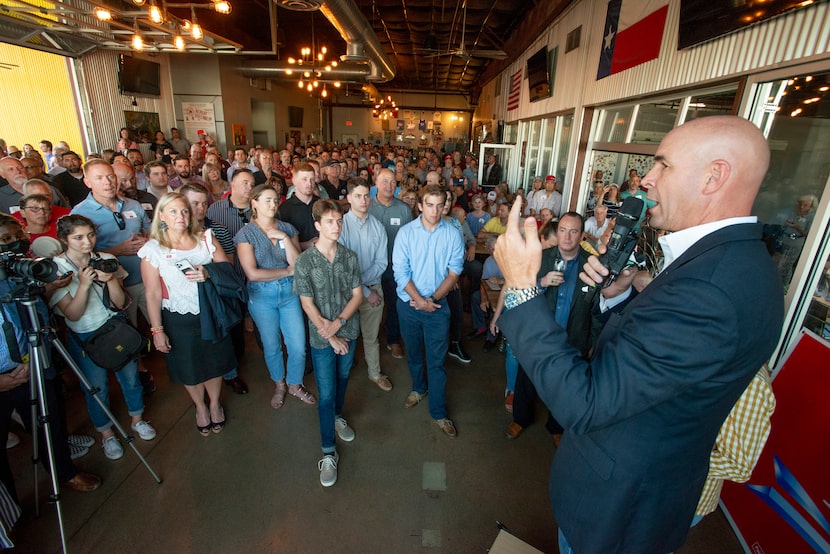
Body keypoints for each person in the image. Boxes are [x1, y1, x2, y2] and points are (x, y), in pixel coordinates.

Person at [494, 115, 784, 553]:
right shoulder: (725, 264)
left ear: (714, 176)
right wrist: (611, 297)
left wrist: (519, 288)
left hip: (618, 518)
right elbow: (653, 358)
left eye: (663, 165)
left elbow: (586, 402)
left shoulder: (714, 289)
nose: (646, 180)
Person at [0, 215, 101, 496]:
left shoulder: (23, 269)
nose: (14, 246)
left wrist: (50, 287)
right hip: (2, 376)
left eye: (16, 237)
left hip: (36, 360)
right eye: (5, 241)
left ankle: (64, 472)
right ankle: (8, 509)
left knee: (50, 422)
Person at [50, 215, 156, 459]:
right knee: (96, 387)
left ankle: (137, 419)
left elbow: (120, 303)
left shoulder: (107, 260)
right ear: (64, 239)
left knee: (130, 377)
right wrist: (84, 284)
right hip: (85, 335)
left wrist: (111, 282)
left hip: (115, 326)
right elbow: (73, 315)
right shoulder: (58, 270)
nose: (87, 242)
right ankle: (107, 434)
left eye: (90, 235)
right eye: (78, 237)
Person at [139, 193, 235, 435]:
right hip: (178, 317)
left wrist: (208, 273)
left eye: (184, 211)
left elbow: (227, 268)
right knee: (188, 366)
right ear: (161, 216)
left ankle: (214, 404)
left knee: (214, 361)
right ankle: (200, 406)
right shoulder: (153, 249)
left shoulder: (205, 238)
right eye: (172, 211)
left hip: (210, 312)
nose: (180, 216)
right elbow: (152, 294)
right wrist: (157, 330)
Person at [294, 199, 363, 487]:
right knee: (325, 391)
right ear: (318, 225)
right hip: (322, 338)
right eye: (330, 222)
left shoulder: (349, 256)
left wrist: (341, 324)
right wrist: (331, 334)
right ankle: (327, 451)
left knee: (344, 376)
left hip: (348, 329)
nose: (336, 226)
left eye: (339, 221)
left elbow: (357, 295)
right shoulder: (305, 261)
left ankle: (338, 416)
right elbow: (307, 304)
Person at [393, 185, 464, 438]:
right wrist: (419, 300)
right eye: (429, 204)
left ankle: (439, 412)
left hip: (438, 305)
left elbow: (455, 272)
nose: (435, 210)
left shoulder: (453, 234)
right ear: (420, 206)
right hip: (409, 306)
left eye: (439, 205)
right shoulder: (405, 233)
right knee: (413, 354)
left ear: (445, 205)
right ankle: (418, 388)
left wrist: (431, 299)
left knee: (437, 362)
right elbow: (400, 273)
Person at [235, 184, 314, 408]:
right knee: (272, 345)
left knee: (298, 344)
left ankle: (295, 384)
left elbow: (297, 264)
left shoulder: (287, 228)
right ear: (254, 204)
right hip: (262, 297)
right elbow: (252, 273)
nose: (272, 204)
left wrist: (284, 238)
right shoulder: (245, 234)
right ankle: (279, 384)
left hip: (289, 294)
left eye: (274, 200)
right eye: (267, 200)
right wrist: (285, 271)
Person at [338, 178, 392, 391]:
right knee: (345, 336)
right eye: (358, 196)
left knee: (371, 336)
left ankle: (375, 373)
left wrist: (367, 288)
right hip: (348, 292)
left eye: (366, 196)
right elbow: (341, 264)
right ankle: (342, 374)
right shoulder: (340, 225)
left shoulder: (378, 227)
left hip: (373, 290)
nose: (363, 200)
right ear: (349, 198)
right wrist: (364, 290)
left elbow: (381, 262)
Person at [369, 168, 412, 359]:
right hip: (369, 265)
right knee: (370, 303)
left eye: (393, 182)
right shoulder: (367, 207)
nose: (389, 186)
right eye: (385, 181)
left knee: (394, 303)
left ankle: (393, 339)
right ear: (376, 183)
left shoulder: (403, 209)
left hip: (395, 266)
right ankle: (369, 341)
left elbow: (411, 240)